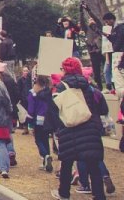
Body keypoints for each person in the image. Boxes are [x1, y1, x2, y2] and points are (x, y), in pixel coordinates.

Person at [50, 57, 106, 200]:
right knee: (93, 163)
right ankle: (99, 195)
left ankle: (64, 193)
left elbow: (55, 109)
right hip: (89, 128)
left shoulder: (61, 87)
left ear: (65, 69)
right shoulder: (88, 86)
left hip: (70, 128)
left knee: (67, 163)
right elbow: (99, 106)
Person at [26, 75, 56, 172]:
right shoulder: (48, 92)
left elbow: (31, 109)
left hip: (37, 118)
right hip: (48, 118)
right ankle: (45, 161)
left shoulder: (33, 93)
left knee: (38, 139)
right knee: (45, 138)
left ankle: (45, 156)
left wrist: (29, 121)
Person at [0, 61, 19, 166]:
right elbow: (17, 94)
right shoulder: (10, 80)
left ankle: (4, 157)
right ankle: (11, 150)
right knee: (8, 132)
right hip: (9, 110)